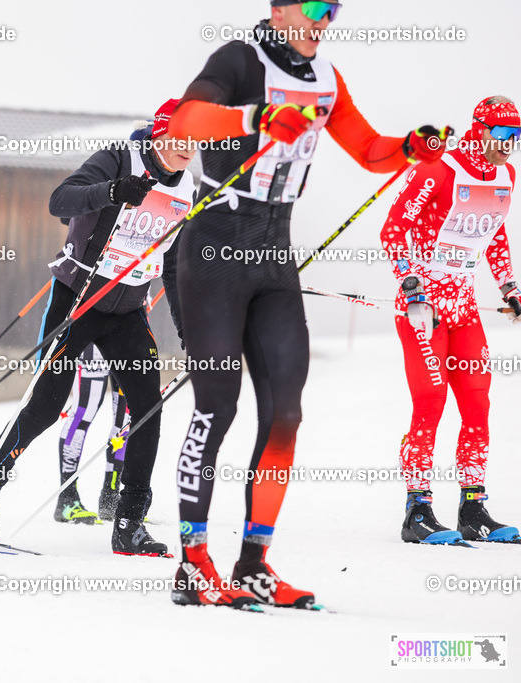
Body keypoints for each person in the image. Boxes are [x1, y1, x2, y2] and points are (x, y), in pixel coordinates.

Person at [165, 0, 451, 609]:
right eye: (316, 6)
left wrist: (411, 147)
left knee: (286, 415)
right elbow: (182, 125)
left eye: (335, 7)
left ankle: (253, 564)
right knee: (217, 409)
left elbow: (370, 150)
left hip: (274, 255)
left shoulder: (326, 79)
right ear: (280, 8)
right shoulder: (239, 60)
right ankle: (192, 562)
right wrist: (255, 117)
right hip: (215, 246)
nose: (326, 17)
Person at [0, 100, 195, 556]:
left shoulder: (188, 187)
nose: (189, 150)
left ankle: (129, 522)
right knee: (48, 406)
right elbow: (60, 201)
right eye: (181, 140)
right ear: (158, 135)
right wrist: (111, 192)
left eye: (197, 142)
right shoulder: (117, 158)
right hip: (80, 298)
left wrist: (188, 332)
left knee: (146, 407)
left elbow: (172, 266)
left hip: (129, 308)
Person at [381, 96, 521, 546]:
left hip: (463, 310)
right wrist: (408, 279)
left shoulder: (505, 176)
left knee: (478, 405)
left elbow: (494, 232)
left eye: (517, 138)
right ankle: (417, 510)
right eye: (502, 136)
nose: (509, 146)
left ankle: (473, 508)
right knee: (430, 403)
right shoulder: (438, 169)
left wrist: (509, 288)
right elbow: (392, 230)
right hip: (425, 311)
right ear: (479, 129)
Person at [53, 342, 129, 524]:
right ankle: (67, 497)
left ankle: (111, 498)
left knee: (126, 421)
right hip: (96, 334)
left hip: (130, 333)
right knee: (83, 413)